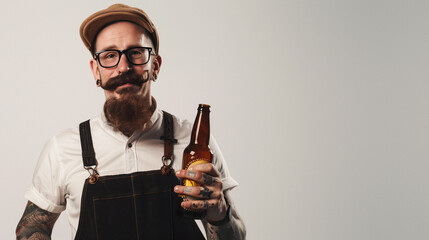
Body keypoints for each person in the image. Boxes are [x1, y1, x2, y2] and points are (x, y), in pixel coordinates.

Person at [16, 3, 246, 240]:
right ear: (96, 71)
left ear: (155, 65)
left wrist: (220, 213)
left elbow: (235, 236)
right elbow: (32, 229)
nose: (123, 67)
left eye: (136, 52)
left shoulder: (194, 143)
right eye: (110, 55)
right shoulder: (62, 148)